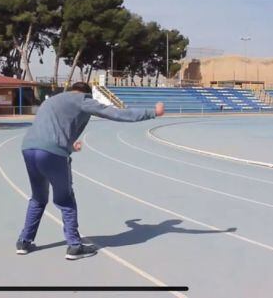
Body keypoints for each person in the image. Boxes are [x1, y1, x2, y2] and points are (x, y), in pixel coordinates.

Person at [16, 82, 165, 260]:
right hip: (52, 153)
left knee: (38, 198)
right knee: (65, 199)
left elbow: (52, 128)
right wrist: (153, 112)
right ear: (86, 94)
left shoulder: (52, 100)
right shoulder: (82, 100)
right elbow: (116, 113)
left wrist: (69, 146)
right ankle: (74, 246)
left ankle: (24, 241)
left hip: (28, 148)